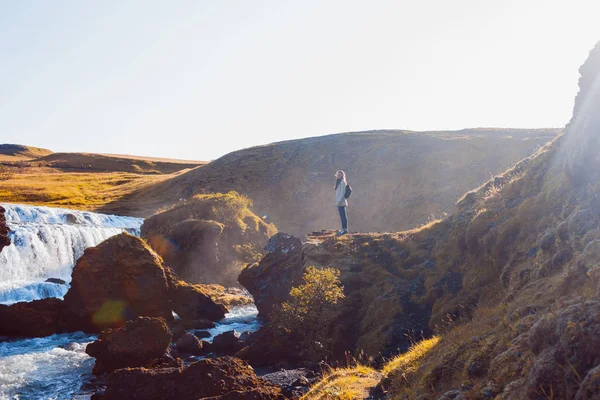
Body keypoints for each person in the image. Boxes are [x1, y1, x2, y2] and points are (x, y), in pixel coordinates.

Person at [334, 170, 348, 235]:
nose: (339, 176)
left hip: (341, 202)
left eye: (340, 175)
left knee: (343, 216)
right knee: (342, 216)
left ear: (342, 176)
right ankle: (343, 229)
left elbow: (342, 193)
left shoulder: (342, 182)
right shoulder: (338, 182)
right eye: (338, 175)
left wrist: (339, 201)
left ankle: (345, 229)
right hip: (339, 202)